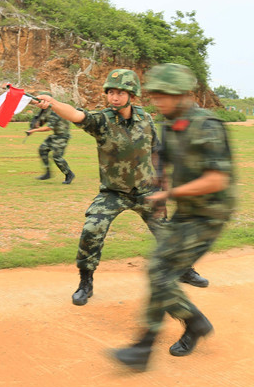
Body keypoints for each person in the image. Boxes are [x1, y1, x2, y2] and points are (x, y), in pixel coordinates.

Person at [35, 69, 208, 307]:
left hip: (146, 191)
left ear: (132, 96)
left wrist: (161, 181)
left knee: (167, 232)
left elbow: (155, 150)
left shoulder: (145, 119)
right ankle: (85, 283)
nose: (114, 97)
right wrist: (54, 103)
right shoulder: (102, 120)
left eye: (120, 93)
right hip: (113, 192)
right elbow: (76, 115)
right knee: (92, 229)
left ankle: (184, 270)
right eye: (111, 92)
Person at [112, 63, 235, 371]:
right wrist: (159, 179)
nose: (159, 102)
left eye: (166, 95)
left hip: (210, 215)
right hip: (187, 212)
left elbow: (217, 180)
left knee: (160, 271)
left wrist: (169, 194)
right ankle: (192, 324)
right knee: (158, 271)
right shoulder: (171, 123)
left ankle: (146, 347)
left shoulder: (208, 126)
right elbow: (162, 155)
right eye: (156, 95)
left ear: (185, 95)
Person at [26, 92, 75, 184]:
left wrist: (33, 131)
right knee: (42, 149)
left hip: (62, 136)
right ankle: (47, 173)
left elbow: (49, 128)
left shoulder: (55, 111)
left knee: (57, 157)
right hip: (55, 135)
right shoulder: (46, 111)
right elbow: (41, 122)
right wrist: (35, 125)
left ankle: (69, 174)